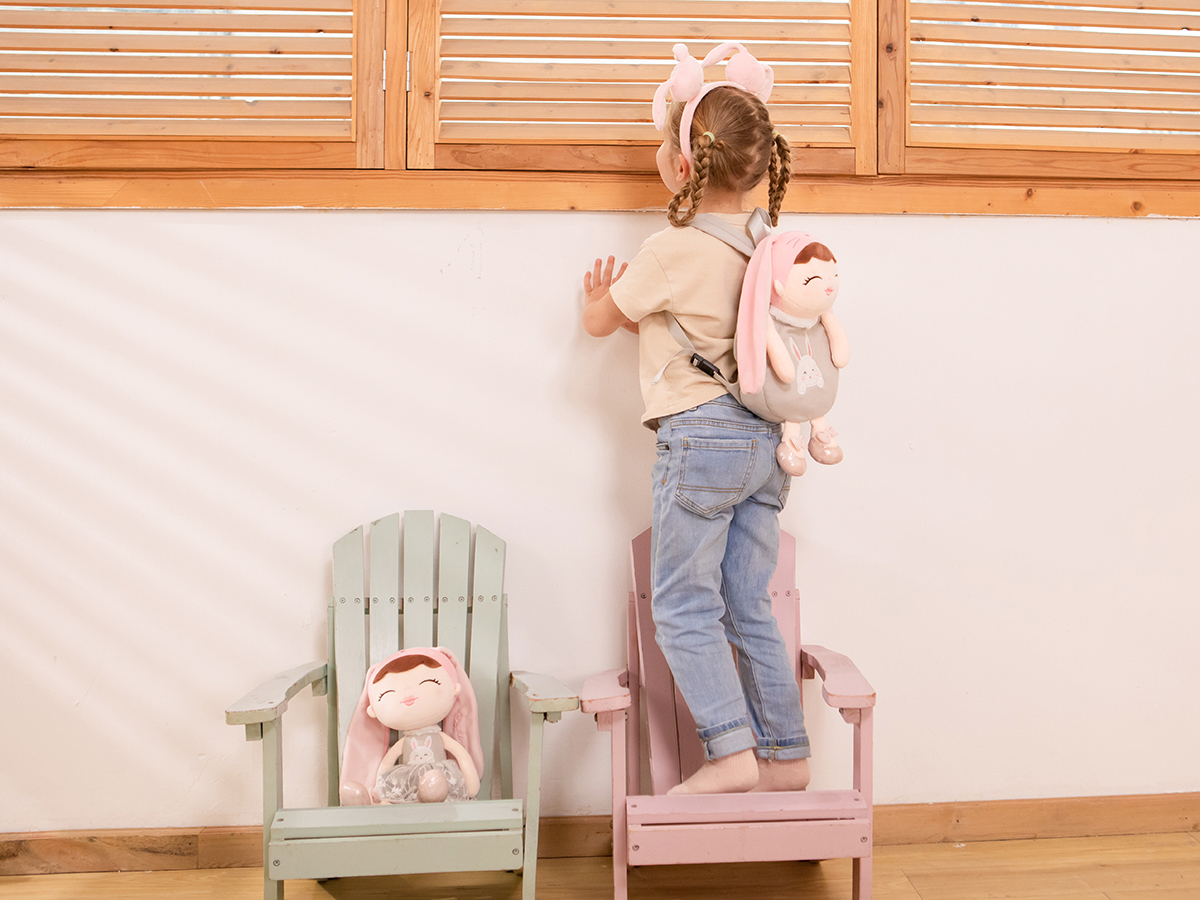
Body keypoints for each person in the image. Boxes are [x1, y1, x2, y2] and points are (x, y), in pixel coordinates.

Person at [581, 43, 811, 795]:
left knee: (682, 606)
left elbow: (600, 321)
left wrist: (598, 297)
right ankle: (787, 754)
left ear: (684, 165)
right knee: (748, 601)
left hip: (701, 438)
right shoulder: (769, 247)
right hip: (765, 441)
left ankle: (730, 753)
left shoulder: (669, 249)